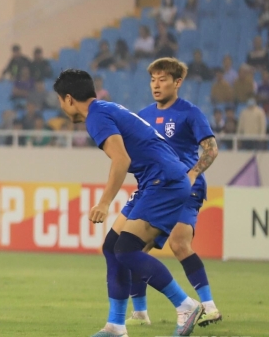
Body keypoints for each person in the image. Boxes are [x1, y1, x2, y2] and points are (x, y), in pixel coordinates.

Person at [53, 69, 204, 337]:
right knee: (113, 248)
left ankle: (186, 305)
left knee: (126, 249)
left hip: (164, 180)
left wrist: (104, 203)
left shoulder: (96, 117)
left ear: (68, 98)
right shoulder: (104, 109)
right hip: (155, 180)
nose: (61, 106)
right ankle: (116, 325)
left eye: (59, 100)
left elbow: (121, 159)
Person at [125, 58, 221, 328]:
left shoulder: (190, 113)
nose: (156, 85)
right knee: (134, 248)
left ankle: (209, 307)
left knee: (178, 243)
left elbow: (211, 149)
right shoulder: (143, 116)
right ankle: (140, 313)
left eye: (163, 79)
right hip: (156, 189)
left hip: (185, 189)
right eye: (153, 79)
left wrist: (192, 174)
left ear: (177, 82)